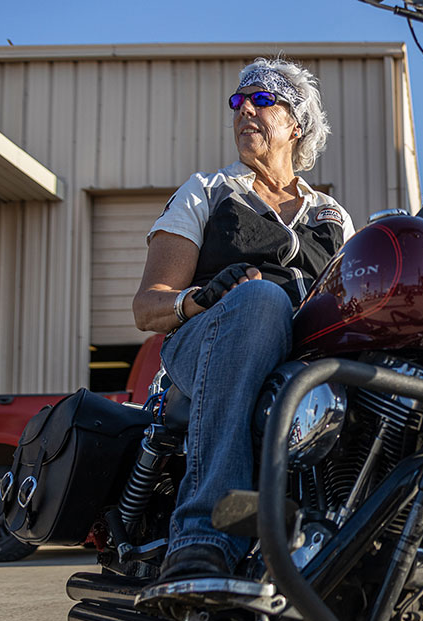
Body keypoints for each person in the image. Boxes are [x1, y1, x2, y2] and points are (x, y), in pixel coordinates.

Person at [131, 58, 354, 587]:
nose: (244, 109)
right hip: (206, 345)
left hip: (301, 363)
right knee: (260, 300)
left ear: (296, 124)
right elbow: (148, 307)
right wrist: (201, 297)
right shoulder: (207, 191)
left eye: (262, 100)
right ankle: (204, 533)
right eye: (238, 101)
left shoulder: (333, 216)